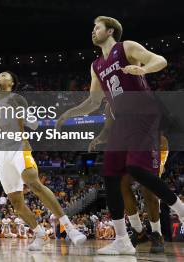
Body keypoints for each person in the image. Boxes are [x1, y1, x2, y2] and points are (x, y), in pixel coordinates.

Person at [57, 16, 184, 255]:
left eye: (97, 27)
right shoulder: (96, 66)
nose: (93, 32)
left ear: (111, 30)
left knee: (137, 169)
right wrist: (69, 113)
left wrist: (143, 68)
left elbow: (161, 60)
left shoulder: (126, 47)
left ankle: (179, 208)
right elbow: (94, 102)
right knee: (110, 176)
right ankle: (123, 240)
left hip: (144, 114)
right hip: (122, 122)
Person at [0, 71, 86, 251]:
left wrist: (24, 138)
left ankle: (70, 229)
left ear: (11, 83)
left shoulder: (16, 98)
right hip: (1, 153)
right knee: (16, 203)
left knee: (34, 183)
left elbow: (29, 121)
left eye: (3, 75)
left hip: (18, 146)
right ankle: (40, 235)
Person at [88, 101, 168, 253]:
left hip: (149, 142)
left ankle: (157, 234)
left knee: (148, 188)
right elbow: (107, 129)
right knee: (121, 183)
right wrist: (97, 139)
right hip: (126, 145)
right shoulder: (109, 105)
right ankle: (139, 231)